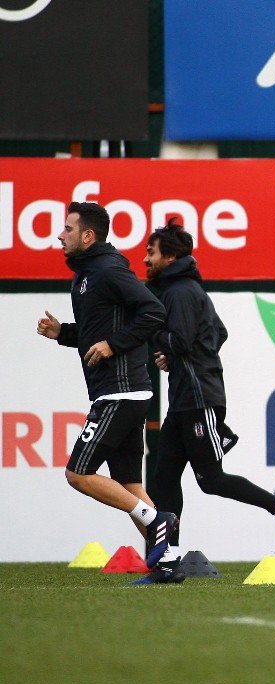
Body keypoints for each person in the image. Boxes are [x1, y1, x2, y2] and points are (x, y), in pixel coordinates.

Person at [139, 218, 275, 584]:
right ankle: (168, 564)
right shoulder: (183, 290)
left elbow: (181, 340)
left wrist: (162, 340)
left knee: (211, 479)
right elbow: (216, 333)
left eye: (150, 252)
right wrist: (183, 355)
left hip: (199, 399)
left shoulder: (181, 291)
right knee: (164, 479)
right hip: (186, 399)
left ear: (169, 256)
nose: (145, 258)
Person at [35, 201, 177, 571]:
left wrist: (114, 345)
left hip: (120, 391)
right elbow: (95, 333)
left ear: (88, 235)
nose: (60, 235)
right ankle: (169, 557)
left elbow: (153, 312)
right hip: (122, 392)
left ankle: (156, 522)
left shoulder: (108, 270)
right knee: (129, 481)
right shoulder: (86, 275)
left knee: (77, 473)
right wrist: (62, 333)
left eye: (67, 229)